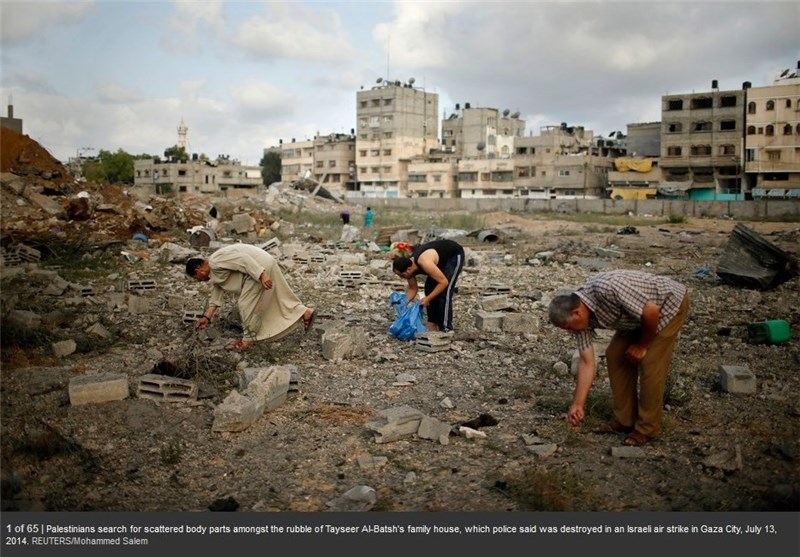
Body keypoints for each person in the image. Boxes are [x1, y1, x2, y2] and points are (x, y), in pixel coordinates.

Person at [548, 270, 689, 446]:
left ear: (576, 313)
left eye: (568, 327)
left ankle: (647, 428)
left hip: (668, 305)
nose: (570, 332)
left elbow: (651, 311)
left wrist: (642, 346)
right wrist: (577, 404)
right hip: (636, 318)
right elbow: (586, 362)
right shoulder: (581, 320)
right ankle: (625, 420)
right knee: (615, 355)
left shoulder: (607, 289)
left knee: (650, 363)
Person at [186, 244, 316, 350]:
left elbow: (243, 260)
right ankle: (305, 312)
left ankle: (246, 341)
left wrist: (261, 274)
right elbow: (217, 292)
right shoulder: (214, 271)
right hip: (260, 265)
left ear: (198, 270)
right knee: (274, 298)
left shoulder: (215, 262)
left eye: (196, 278)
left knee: (245, 304)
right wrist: (206, 317)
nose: (199, 281)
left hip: (258, 266)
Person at [392, 239, 465, 332]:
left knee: (445, 292)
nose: (402, 278)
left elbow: (443, 282)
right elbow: (413, 289)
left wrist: (428, 298)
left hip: (453, 255)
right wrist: (402, 302)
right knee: (429, 289)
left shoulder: (424, 262)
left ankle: (446, 328)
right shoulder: (408, 267)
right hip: (437, 262)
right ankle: (432, 323)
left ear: (408, 269)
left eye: (402, 275)